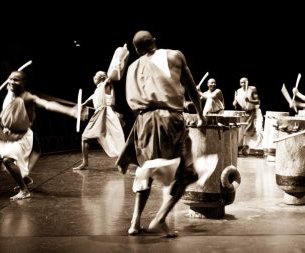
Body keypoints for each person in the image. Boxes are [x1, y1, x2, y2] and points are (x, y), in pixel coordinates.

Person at [116, 30, 206, 237]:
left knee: (145, 171)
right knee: (187, 174)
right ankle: (159, 219)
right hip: (169, 120)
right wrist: (200, 115)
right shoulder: (174, 56)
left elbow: (133, 101)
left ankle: (135, 222)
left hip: (143, 122)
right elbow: (192, 89)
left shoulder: (133, 67)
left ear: (137, 50)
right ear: (154, 41)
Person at [0, 71, 78, 201]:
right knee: (8, 160)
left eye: (16, 80)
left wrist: (70, 111)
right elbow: (9, 90)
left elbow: (48, 104)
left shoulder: (28, 97)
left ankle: (24, 190)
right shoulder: (10, 90)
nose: (12, 82)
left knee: (7, 160)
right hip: (11, 135)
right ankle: (24, 178)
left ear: (24, 83)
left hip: (22, 137)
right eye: (10, 79)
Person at [73, 70, 128, 170]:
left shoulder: (107, 84)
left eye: (96, 75)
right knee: (85, 137)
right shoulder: (98, 89)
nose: (94, 77)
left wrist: (112, 71)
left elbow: (111, 76)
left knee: (115, 138)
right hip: (100, 113)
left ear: (102, 78)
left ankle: (122, 162)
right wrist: (83, 104)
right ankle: (85, 163)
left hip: (106, 113)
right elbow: (92, 97)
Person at [232, 77, 263, 155]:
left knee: (257, 130)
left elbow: (258, 101)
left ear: (248, 82)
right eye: (241, 82)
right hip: (245, 114)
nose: (243, 84)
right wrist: (234, 103)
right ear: (240, 83)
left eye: (245, 82)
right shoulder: (238, 91)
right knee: (244, 132)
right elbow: (236, 102)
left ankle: (257, 150)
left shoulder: (252, 89)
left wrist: (250, 100)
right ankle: (245, 149)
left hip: (254, 113)